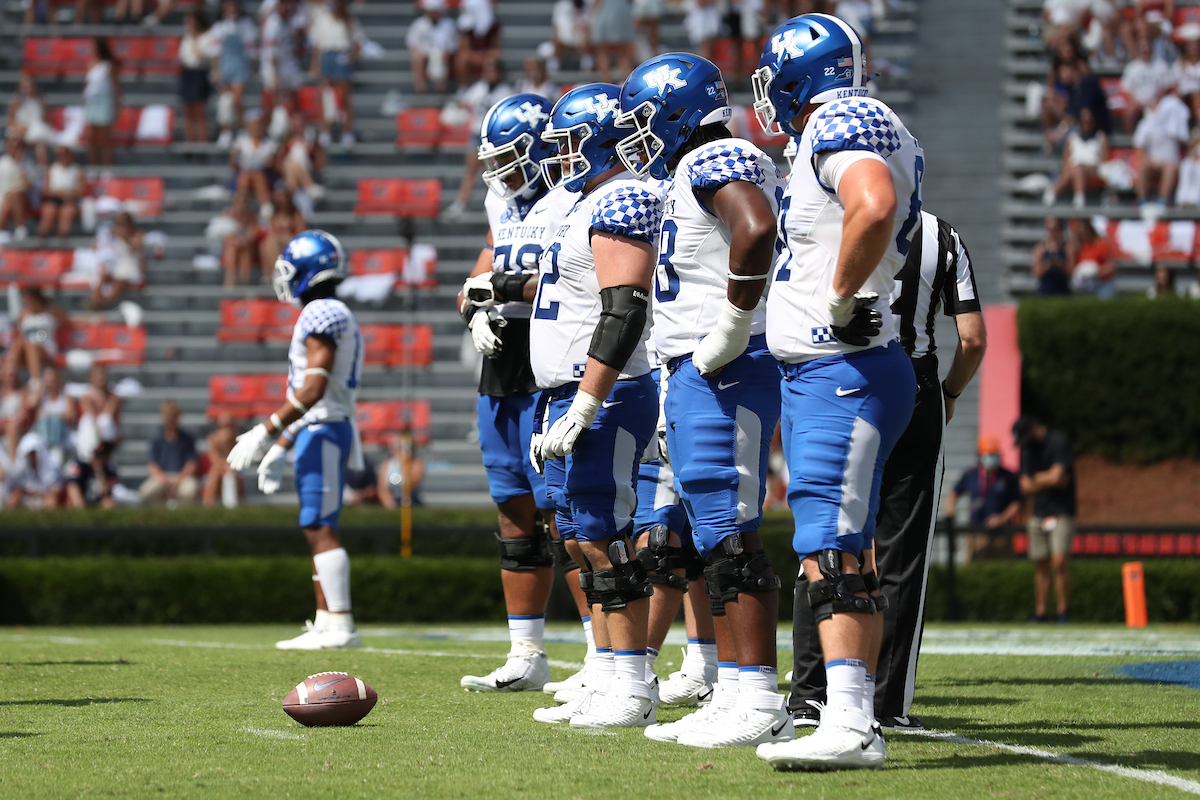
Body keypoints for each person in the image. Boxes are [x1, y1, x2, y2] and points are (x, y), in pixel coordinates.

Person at [752, 13, 923, 771]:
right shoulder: (839, 127)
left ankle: (853, 720)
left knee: (837, 544)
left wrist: (842, 293)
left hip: (843, 367)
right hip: (831, 370)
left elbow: (874, 203)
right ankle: (844, 708)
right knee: (830, 546)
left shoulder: (845, 119)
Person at [615, 52, 790, 749]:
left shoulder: (712, 159)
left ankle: (760, 697)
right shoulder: (693, 170)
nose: (637, 138)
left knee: (730, 529)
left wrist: (733, 324)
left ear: (676, 112)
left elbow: (754, 228)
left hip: (726, 363)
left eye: (644, 122)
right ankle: (736, 688)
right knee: (711, 533)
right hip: (696, 366)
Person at [789, 211, 987, 734]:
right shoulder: (942, 234)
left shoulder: (829, 219)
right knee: (903, 554)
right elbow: (973, 339)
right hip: (916, 386)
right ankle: (885, 703)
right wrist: (949, 393)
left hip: (843, 377)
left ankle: (809, 695)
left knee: (825, 539)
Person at [524, 83, 662, 728]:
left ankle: (633, 684)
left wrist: (585, 399)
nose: (559, 156)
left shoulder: (621, 197)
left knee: (604, 535)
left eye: (568, 141)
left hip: (604, 391)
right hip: (569, 391)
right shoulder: (582, 206)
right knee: (578, 536)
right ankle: (607, 674)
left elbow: (624, 307)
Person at [455, 94, 578, 693]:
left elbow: (566, 286)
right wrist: (472, 307)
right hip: (501, 369)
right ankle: (527, 653)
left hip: (550, 362)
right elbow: (475, 278)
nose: (498, 172)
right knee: (512, 513)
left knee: (568, 515)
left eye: (507, 158)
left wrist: (495, 286)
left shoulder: (571, 198)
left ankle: (605, 660)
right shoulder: (503, 202)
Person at [226, 229, 365, 650]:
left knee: (320, 525)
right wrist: (283, 445)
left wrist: (263, 432)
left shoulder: (323, 312)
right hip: (316, 430)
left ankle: (340, 623)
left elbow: (312, 391)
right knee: (316, 525)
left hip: (323, 429)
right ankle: (326, 621)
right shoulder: (327, 311)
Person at [1013, 415, 1077, 624]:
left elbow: (1059, 477)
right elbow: (1025, 486)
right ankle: (1041, 612)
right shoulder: (1028, 448)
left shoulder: (1058, 441)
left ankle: (1063, 612)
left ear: (1033, 429)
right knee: (1040, 563)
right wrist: (1047, 478)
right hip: (1038, 513)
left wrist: (1036, 478)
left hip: (1062, 511)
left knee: (1059, 561)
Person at [444, 59, 514, 218]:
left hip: (495, 138)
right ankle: (461, 203)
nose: (490, 74)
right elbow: (465, 105)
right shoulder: (478, 88)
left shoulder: (506, 91)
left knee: (494, 173)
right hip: (477, 134)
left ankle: (490, 205)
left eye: (493, 70)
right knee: (471, 171)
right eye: (487, 70)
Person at [945, 434, 1023, 532]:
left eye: (994, 454)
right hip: (975, 530)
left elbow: (1017, 502)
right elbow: (954, 493)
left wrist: (1001, 519)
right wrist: (950, 510)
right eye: (989, 454)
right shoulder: (971, 474)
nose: (992, 458)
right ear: (980, 455)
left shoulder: (1008, 476)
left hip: (1001, 532)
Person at [309, 0, 360, 147]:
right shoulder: (322, 19)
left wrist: (349, 57)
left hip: (341, 56)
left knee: (344, 98)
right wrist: (316, 65)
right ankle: (325, 131)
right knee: (326, 97)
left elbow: (357, 43)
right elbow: (317, 46)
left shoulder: (349, 20)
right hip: (327, 56)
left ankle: (347, 132)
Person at [209, 0, 257, 149]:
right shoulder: (219, 27)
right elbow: (215, 53)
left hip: (240, 67)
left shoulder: (246, 25)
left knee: (237, 100)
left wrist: (251, 69)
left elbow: (251, 51)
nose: (231, 9)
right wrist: (216, 71)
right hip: (225, 67)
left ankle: (242, 130)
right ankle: (226, 132)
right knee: (224, 102)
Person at [1132, 87, 1190, 208]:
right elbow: (1139, 148)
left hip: (1171, 163)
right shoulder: (1145, 125)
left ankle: (1163, 200)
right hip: (1153, 161)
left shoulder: (1174, 120)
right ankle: (1142, 200)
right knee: (1143, 168)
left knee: (1171, 167)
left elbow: (1184, 143)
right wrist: (1151, 162)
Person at [1044, 107, 1108, 209]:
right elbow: (1066, 160)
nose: (1087, 124)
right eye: (1084, 122)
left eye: (1089, 121)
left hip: (1092, 170)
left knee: (1078, 168)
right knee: (1076, 168)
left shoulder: (1101, 137)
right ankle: (1078, 197)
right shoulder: (1072, 137)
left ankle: (1055, 191)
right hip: (1073, 169)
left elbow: (1103, 162)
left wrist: (1084, 167)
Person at [140, 400, 199, 506]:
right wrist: (163, 479)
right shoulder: (156, 439)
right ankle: (160, 517)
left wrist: (179, 479)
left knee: (190, 491)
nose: (171, 421)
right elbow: (152, 464)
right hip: (162, 476)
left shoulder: (188, 438)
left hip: (182, 476)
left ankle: (184, 518)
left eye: (173, 418)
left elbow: (191, 464)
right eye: (168, 418)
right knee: (146, 492)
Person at [5, 287, 69, 382]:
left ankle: (35, 380)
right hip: (26, 347)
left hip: (46, 347)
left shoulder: (51, 311)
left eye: (28, 300)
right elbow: (17, 332)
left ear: (36, 299)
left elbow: (68, 321)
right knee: (22, 341)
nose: (26, 303)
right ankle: (6, 374)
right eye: (25, 301)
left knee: (30, 344)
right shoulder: (24, 314)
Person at [90, 210, 144, 309]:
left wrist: (125, 237)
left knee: (118, 283)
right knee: (103, 276)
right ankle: (95, 300)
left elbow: (135, 248)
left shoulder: (137, 234)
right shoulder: (115, 235)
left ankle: (104, 303)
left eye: (123, 225)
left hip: (132, 270)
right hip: (119, 268)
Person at [406, 0, 459, 95]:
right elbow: (412, 45)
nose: (433, 13)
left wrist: (442, 55)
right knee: (417, 57)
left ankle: (440, 89)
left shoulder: (449, 25)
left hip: (442, 54)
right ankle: (420, 88)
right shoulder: (418, 24)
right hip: (424, 54)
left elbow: (452, 47)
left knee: (443, 57)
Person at [1120, 37, 1173, 131]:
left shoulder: (1161, 66)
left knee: (1166, 109)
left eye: (1148, 50)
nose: (1146, 52)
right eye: (1143, 50)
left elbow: (1168, 87)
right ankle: (1130, 142)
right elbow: (1125, 89)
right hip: (1137, 102)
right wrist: (1137, 103)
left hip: (1156, 102)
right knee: (1130, 112)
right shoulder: (1131, 67)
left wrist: (1157, 101)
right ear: (1138, 52)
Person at [84, 38, 121, 169]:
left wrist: (116, 105)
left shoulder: (109, 65)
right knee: (92, 139)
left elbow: (116, 86)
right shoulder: (91, 63)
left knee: (105, 138)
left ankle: (107, 168)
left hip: (104, 101)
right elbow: (87, 85)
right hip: (92, 101)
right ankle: (93, 167)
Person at [231, 111, 278, 215]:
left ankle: (262, 205)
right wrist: (236, 157)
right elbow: (233, 164)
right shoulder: (241, 141)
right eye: (254, 126)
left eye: (258, 126)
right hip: (244, 175)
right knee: (247, 175)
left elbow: (272, 165)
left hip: (265, 176)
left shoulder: (269, 144)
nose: (256, 128)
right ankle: (263, 205)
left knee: (256, 175)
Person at [179, 9, 214, 145]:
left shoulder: (207, 36)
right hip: (188, 73)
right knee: (188, 111)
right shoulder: (185, 37)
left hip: (200, 73)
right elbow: (182, 57)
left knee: (200, 112)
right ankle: (189, 142)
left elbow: (201, 55)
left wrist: (193, 38)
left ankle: (202, 143)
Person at [6, 74, 54, 168]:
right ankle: (13, 167)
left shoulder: (41, 101)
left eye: (29, 86)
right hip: (20, 131)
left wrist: (32, 128)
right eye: (24, 87)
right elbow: (10, 121)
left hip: (35, 132)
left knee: (40, 145)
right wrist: (20, 128)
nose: (27, 89)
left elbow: (46, 121)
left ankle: (42, 170)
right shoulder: (15, 102)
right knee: (15, 140)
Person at [4, 431, 61, 509]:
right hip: (26, 499)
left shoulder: (52, 468)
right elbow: (17, 489)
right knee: (12, 500)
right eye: (30, 454)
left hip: (42, 499)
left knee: (51, 502)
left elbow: (54, 491)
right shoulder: (22, 470)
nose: (32, 457)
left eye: (34, 453)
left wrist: (38, 494)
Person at [38, 145, 84, 238]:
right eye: (59, 155)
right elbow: (45, 191)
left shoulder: (78, 171)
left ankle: (62, 247)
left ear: (70, 155)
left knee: (65, 222)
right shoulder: (51, 170)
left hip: (70, 201)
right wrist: (63, 193)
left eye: (64, 154)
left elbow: (80, 191)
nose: (62, 157)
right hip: (53, 200)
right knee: (45, 224)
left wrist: (65, 194)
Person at [76, 364, 121, 460]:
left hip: (107, 433)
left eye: (102, 375)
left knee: (105, 421)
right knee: (87, 421)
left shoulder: (112, 396)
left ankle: (100, 450)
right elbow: (89, 413)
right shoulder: (85, 396)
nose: (101, 378)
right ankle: (88, 455)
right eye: (98, 375)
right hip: (93, 430)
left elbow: (108, 414)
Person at [455, 0, 502, 86]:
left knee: (492, 60)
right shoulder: (465, 26)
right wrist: (474, 55)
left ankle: (490, 86)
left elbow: (495, 46)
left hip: (486, 54)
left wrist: (483, 54)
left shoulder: (493, 26)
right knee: (461, 59)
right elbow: (463, 46)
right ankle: (463, 87)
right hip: (472, 55)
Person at [1067, 217, 1116, 297]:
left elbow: (1111, 266)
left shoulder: (1100, 244)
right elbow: (1070, 270)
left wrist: (1095, 273)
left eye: (1083, 229)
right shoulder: (1075, 248)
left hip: (1101, 283)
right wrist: (1071, 255)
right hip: (1082, 285)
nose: (1082, 232)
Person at [64, 439, 118, 509]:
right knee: (73, 492)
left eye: (105, 455)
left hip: (96, 502)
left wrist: (99, 473)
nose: (102, 459)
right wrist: (80, 506)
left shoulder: (109, 470)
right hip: (80, 500)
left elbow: (105, 494)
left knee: (108, 503)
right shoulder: (81, 466)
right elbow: (72, 486)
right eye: (99, 456)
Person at [378, 431, 426, 509]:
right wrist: (390, 505)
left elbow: (413, 483)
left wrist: (403, 463)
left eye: (399, 446)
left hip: (410, 501)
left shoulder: (416, 463)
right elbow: (382, 489)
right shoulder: (387, 465)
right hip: (393, 501)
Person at [202, 410, 240, 507]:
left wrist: (228, 444)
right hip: (221, 471)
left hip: (236, 473)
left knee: (229, 475)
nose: (227, 429)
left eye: (229, 425)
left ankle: (226, 507)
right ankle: (210, 506)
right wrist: (226, 467)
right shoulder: (213, 439)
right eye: (224, 426)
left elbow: (239, 461)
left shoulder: (239, 440)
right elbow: (215, 461)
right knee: (216, 473)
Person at [591, 0, 635, 82]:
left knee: (603, 51)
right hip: (621, 13)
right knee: (622, 52)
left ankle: (607, 84)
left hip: (605, 13)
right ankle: (625, 84)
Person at [0, 135, 31, 240]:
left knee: (15, 195)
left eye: (17, 147)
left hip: (23, 196)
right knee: (5, 206)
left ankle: (20, 228)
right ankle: (5, 232)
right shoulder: (2, 163)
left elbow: (29, 184)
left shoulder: (27, 163)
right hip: (5, 196)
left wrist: (19, 164)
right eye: (12, 147)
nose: (14, 150)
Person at [1032, 216, 1071, 294]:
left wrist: (1059, 265)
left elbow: (1070, 271)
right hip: (1045, 290)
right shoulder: (1040, 248)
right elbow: (1036, 273)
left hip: (1062, 289)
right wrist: (1047, 266)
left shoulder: (1066, 247)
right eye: (1050, 229)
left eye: (1055, 229)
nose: (1052, 232)